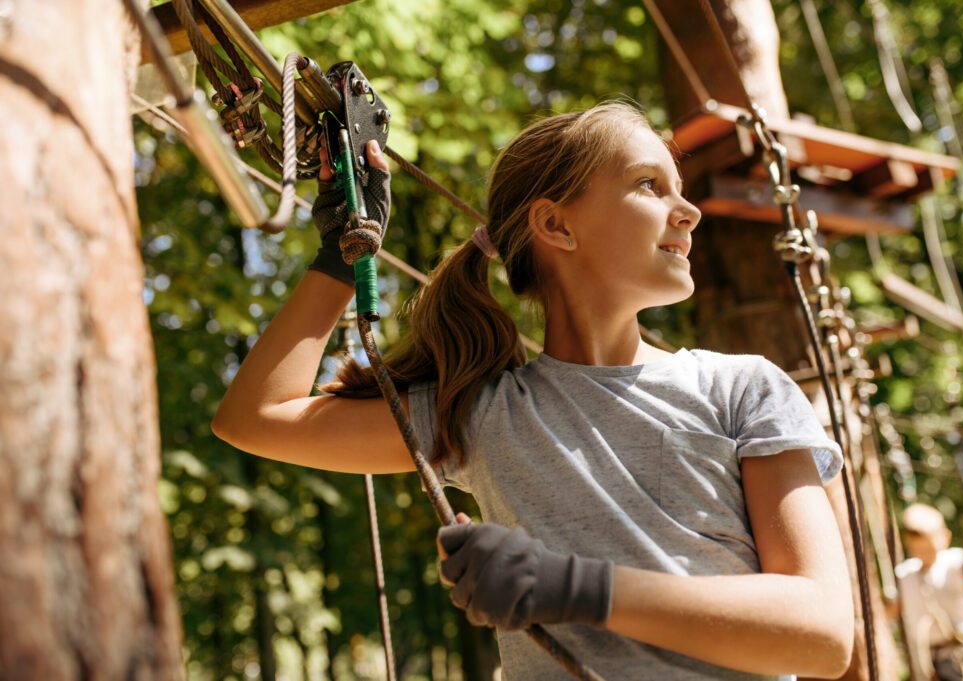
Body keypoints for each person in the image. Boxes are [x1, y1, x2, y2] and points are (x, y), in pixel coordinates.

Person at [213, 101, 854, 680]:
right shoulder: (484, 411)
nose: (687, 211)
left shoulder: (743, 388)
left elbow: (823, 632)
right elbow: (257, 418)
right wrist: (341, 255)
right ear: (556, 225)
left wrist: (568, 586)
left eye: (678, 190)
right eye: (649, 185)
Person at [895, 503, 963, 681]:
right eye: (919, 549)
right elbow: (893, 610)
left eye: (929, 548)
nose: (925, 554)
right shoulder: (905, 575)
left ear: (946, 537)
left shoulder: (957, 561)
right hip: (940, 659)